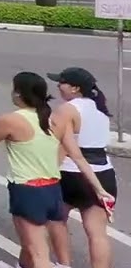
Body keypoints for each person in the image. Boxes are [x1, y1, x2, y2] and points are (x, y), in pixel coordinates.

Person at [0, 72, 113, 268]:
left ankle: (61, 265)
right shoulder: (69, 118)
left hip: (29, 190)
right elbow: (77, 156)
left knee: (38, 251)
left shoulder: (13, 120)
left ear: (18, 94)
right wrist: (100, 189)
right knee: (35, 242)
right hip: (57, 188)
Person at [47, 67, 117, 268]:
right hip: (103, 172)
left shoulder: (67, 109)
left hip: (70, 173)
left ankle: (63, 264)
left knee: (56, 221)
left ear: (75, 88)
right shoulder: (101, 110)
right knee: (97, 233)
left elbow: (60, 144)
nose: (58, 86)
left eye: (62, 82)